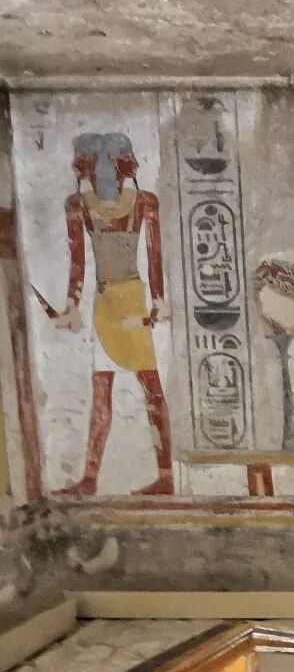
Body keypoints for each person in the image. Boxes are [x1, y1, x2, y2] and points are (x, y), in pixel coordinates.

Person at [53, 132, 173, 496]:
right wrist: (71, 304)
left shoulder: (144, 202)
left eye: (111, 167)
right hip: (105, 305)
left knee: (151, 387)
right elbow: (78, 260)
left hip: (131, 300)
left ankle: (166, 476)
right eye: (94, 169)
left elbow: (154, 255)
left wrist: (158, 300)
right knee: (101, 389)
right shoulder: (78, 204)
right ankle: (90, 478)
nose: (104, 177)